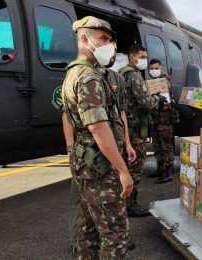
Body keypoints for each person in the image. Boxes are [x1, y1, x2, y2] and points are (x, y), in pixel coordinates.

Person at [61, 16, 133, 259]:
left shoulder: (74, 73)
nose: (109, 45)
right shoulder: (89, 77)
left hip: (87, 165)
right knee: (114, 232)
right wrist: (122, 170)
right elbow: (99, 128)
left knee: (88, 228)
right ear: (84, 39)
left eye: (111, 41)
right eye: (103, 39)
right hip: (101, 168)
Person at [119, 45, 167, 217]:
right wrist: (158, 99)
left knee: (126, 166)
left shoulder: (121, 74)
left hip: (127, 128)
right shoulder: (134, 76)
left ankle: (123, 202)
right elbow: (146, 102)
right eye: (142, 57)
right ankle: (130, 205)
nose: (144, 60)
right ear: (132, 58)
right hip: (135, 130)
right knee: (135, 168)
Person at [146, 59, 180, 184]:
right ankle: (160, 169)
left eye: (156, 68)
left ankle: (168, 171)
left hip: (164, 119)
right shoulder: (153, 82)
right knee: (156, 145)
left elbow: (165, 101)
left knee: (166, 146)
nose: (153, 70)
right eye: (151, 68)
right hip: (156, 119)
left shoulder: (163, 81)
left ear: (160, 68)